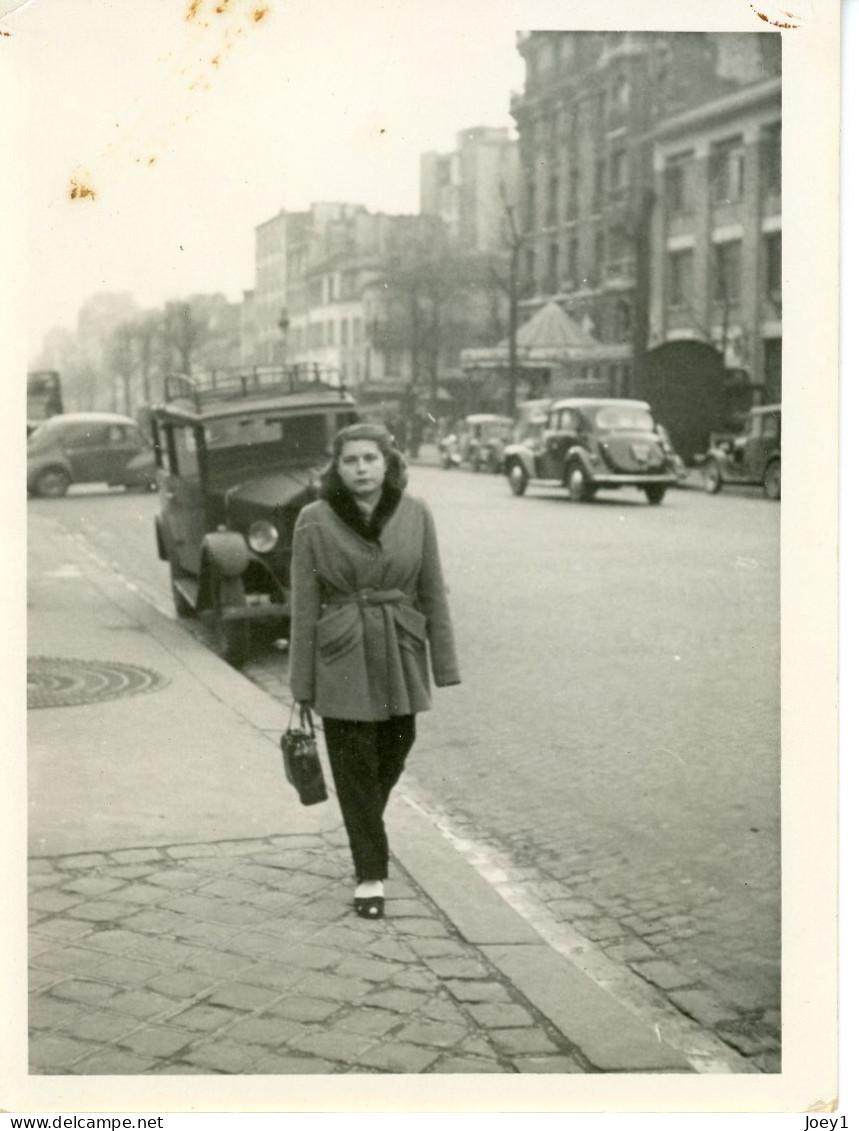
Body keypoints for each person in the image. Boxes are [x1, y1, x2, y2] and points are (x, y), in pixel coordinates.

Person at [288, 423, 460, 920]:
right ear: (336, 468)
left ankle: (363, 824)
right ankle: (370, 874)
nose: (361, 468)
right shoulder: (313, 519)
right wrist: (302, 683)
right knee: (354, 761)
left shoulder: (416, 513)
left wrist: (444, 664)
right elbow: (304, 604)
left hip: (399, 648)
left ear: (388, 463)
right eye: (350, 460)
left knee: (396, 745)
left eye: (370, 458)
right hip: (340, 652)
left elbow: (433, 590)